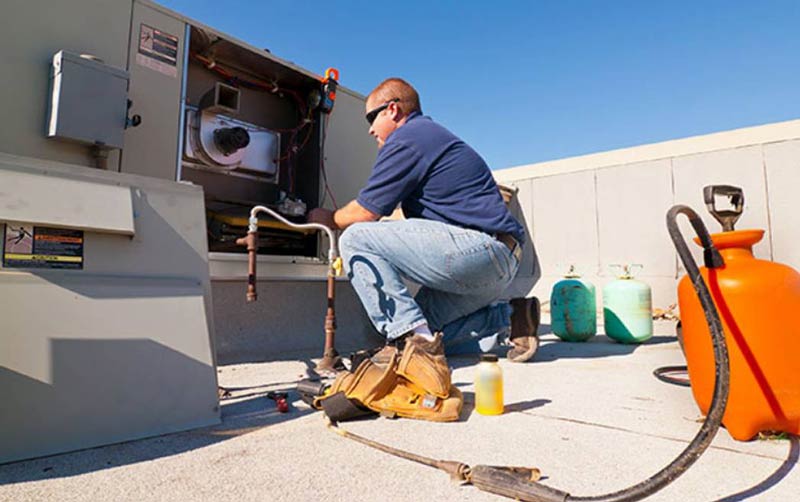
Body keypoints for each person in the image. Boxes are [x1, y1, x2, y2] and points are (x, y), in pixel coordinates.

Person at [308, 78, 538, 363]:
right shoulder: (429, 137)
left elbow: (367, 212)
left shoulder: (408, 137)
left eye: (371, 117)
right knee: (428, 327)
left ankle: (409, 340)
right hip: (499, 262)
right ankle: (511, 318)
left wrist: (328, 218)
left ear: (392, 110)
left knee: (356, 237)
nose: (370, 129)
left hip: (480, 252)